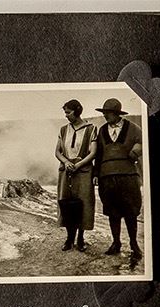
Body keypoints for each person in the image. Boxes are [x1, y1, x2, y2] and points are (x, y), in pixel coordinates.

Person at [93, 98, 143, 259]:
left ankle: (134, 244)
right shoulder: (102, 131)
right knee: (112, 212)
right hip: (107, 178)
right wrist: (96, 174)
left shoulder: (133, 128)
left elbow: (144, 141)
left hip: (128, 177)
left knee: (130, 211)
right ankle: (116, 243)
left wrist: (137, 150)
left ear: (116, 114)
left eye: (108, 113)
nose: (105, 116)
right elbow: (98, 155)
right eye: (104, 113)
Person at [54, 99, 97, 252]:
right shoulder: (63, 130)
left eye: (68, 112)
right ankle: (69, 238)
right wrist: (66, 162)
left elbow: (93, 152)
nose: (66, 115)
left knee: (83, 203)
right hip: (66, 172)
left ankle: (80, 239)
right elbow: (57, 152)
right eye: (65, 112)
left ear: (77, 111)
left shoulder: (91, 129)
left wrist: (78, 165)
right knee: (66, 202)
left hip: (83, 172)